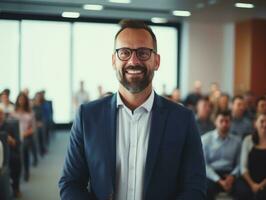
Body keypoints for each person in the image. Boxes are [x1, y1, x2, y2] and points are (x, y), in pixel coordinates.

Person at [59, 19, 206, 200]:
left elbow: (195, 187)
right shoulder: (87, 117)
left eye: (143, 53)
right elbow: (71, 183)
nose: (133, 61)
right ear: (114, 61)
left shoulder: (182, 120)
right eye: (125, 53)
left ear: (157, 61)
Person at [201, 110, 241, 200]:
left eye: (227, 121)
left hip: (229, 173)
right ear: (215, 122)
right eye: (221, 121)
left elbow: (239, 164)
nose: (224, 124)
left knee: (242, 190)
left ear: (231, 122)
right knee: (205, 189)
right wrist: (218, 180)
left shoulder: (237, 141)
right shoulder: (205, 139)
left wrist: (232, 176)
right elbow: (203, 164)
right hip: (211, 173)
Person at [235, 113, 266, 200]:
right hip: (248, 179)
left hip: (264, 181)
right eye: (262, 121)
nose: (265, 124)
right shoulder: (248, 140)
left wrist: (260, 185)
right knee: (243, 192)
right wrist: (252, 185)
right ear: (255, 123)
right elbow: (243, 167)